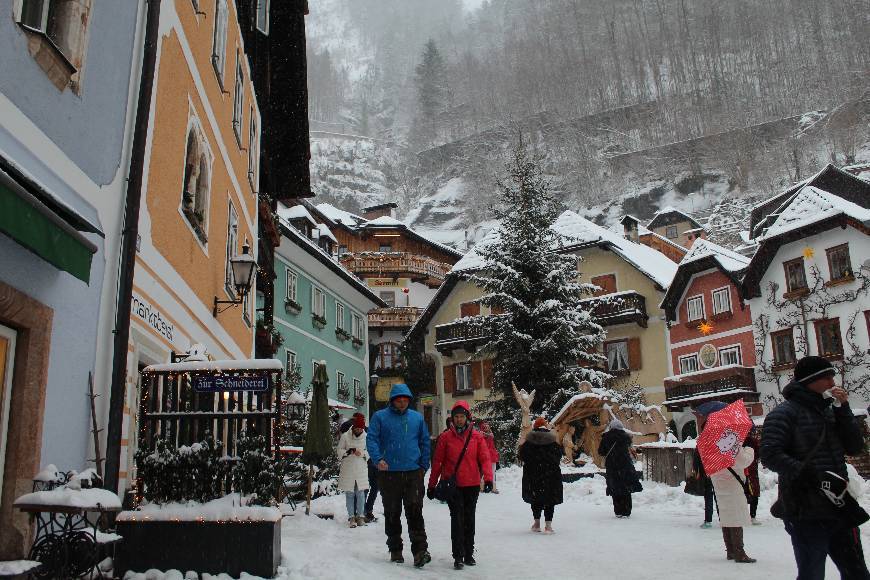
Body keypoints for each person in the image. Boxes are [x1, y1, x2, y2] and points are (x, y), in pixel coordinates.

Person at [761, 356, 868, 579]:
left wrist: (843, 410)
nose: (832, 383)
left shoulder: (830, 410)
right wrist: (810, 474)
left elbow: (855, 447)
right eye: (827, 377)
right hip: (804, 509)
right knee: (812, 573)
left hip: (839, 504)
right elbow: (770, 455)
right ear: (811, 381)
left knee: (857, 572)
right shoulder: (783, 414)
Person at [367, 384, 432, 568]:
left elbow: (424, 442)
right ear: (392, 400)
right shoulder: (380, 417)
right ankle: (395, 549)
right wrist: (377, 458)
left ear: (409, 400)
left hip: (413, 473)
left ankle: (420, 551)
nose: (402, 402)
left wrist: (423, 465)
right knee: (392, 513)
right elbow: (371, 439)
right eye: (398, 399)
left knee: (415, 512)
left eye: (405, 399)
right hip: (389, 474)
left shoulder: (417, 418)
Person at [427, 401, 493, 569]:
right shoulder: (445, 437)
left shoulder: (477, 437)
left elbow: (485, 458)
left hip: (471, 484)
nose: (459, 420)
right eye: (456, 416)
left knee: (469, 519)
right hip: (453, 485)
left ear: (467, 417)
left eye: (462, 416)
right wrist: (432, 485)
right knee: (457, 519)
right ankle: (458, 556)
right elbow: (437, 462)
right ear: (452, 418)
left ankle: (469, 553)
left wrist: (488, 479)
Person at [697, 401, 756, 563]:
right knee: (736, 516)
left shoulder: (709, 444)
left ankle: (730, 550)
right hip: (733, 484)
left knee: (726, 515)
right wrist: (749, 447)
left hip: (719, 484)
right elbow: (743, 461)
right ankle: (739, 552)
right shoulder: (729, 441)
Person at [519, 417, 563, 533]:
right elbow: (558, 456)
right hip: (550, 474)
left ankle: (537, 523)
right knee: (550, 499)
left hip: (534, 474)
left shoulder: (529, 441)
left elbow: (522, 456)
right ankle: (548, 526)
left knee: (535, 498)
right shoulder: (553, 441)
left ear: (535, 427)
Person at [597, 419, 642, 518]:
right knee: (626, 488)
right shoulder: (626, 437)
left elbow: (601, 452)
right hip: (625, 466)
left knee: (615, 487)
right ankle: (626, 511)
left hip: (612, 467)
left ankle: (618, 511)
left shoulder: (606, 437)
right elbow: (630, 448)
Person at [337, 414, 369, 528]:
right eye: (357, 428)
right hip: (348, 468)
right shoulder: (345, 436)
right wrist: (347, 452)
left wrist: (364, 454)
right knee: (349, 494)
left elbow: (369, 452)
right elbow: (339, 450)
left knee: (360, 494)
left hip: (361, 468)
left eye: (361, 428)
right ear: (354, 427)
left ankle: (360, 516)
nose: (359, 430)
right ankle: (351, 517)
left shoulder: (366, 437)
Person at [744, 427, 761, 525]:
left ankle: (752, 515)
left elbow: (758, 455)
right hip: (746, 471)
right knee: (749, 493)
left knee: (752, 493)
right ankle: (750, 516)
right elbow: (758, 455)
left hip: (749, 471)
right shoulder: (752, 442)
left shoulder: (753, 442)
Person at [479, 421, 500, 494]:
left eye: (488, 427)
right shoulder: (481, 436)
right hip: (486, 456)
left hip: (492, 456)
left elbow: (492, 443)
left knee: (492, 472)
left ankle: (493, 487)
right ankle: (482, 486)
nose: (487, 428)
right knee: (485, 472)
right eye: (485, 427)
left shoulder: (490, 435)